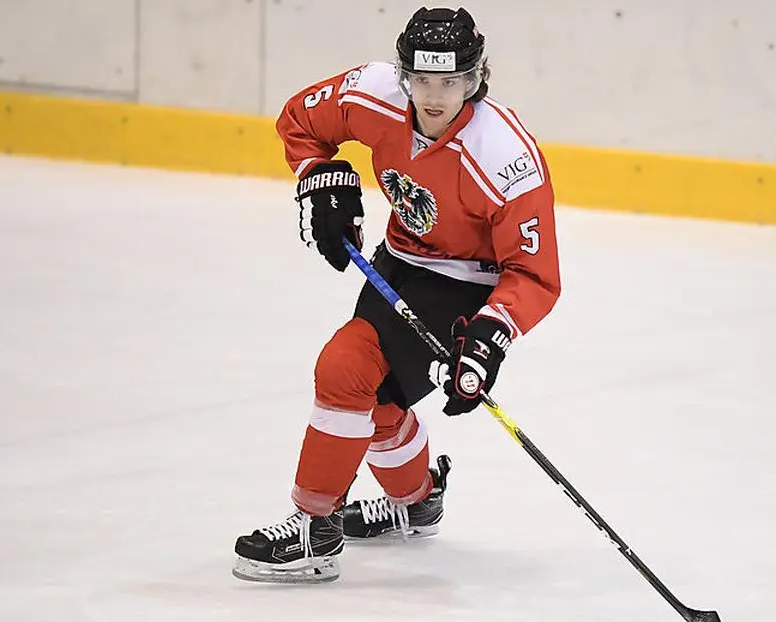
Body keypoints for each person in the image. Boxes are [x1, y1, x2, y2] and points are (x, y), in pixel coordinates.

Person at [233, 6, 561, 583]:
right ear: (404, 73)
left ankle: (315, 523)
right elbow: (301, 123)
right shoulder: (373, 92)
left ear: (476, 78)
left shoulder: (505, 157)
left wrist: (490, 335)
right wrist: (319, 179)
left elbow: (531, 274)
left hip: (465, 283)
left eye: (452, 82)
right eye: (424, 81)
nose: (435, 97)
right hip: (398, 263)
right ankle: (416, 499)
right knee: (376, 402)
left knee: (346, 368)